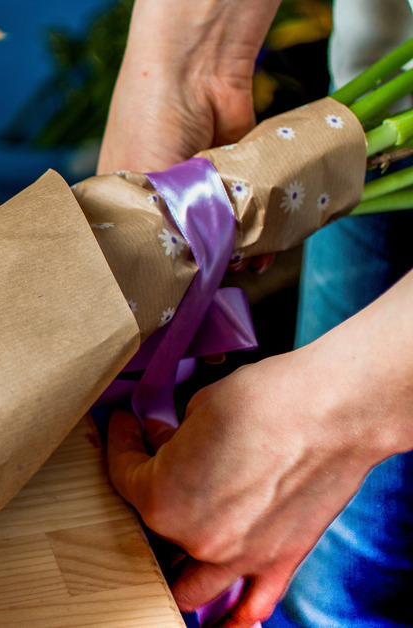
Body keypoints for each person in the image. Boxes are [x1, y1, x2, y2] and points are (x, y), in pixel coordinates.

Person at [99, 1, 413, 627]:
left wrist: (339, 410)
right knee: (331, 578)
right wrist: (187, 67)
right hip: (389, 109)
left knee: (350, 591)